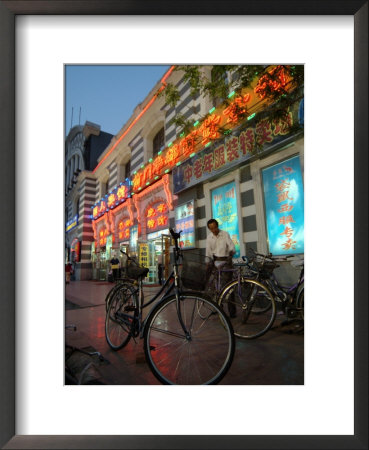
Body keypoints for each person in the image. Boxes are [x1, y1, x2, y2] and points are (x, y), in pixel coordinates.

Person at [206, 219, 237, 318]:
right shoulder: (209, 237)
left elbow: (232, 247)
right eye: (211, 229)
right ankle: (219, 309)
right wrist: (208, 263)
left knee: (229, 286)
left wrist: (231, 253)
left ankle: (232, 311)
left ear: (217, 226)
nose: (214, 230)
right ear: (209, 229)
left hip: (226, 260)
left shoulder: (225, 234)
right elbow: (208, 252)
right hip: (215, 262)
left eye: (215, 227)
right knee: (216, 286)